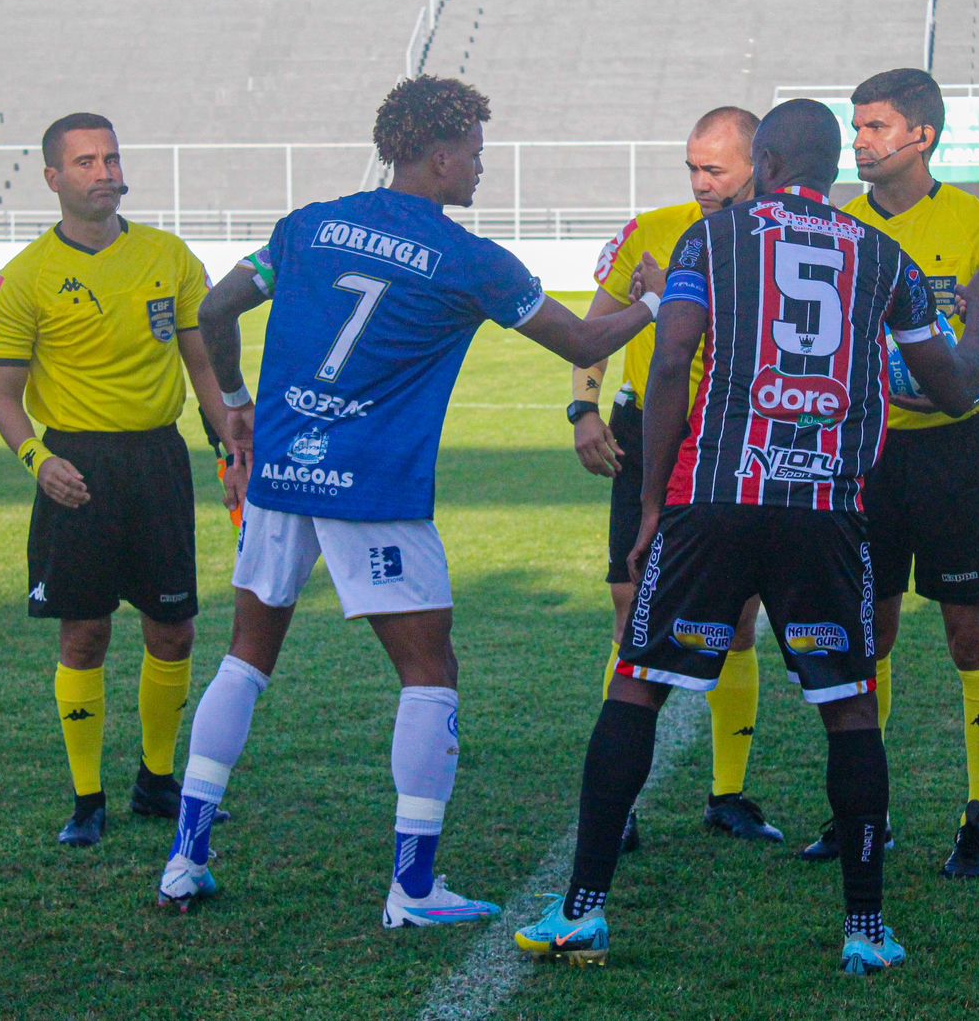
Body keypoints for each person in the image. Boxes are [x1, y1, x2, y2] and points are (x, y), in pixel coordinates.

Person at [515, 99, 979, 974]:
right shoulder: (882, 255)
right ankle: (865, 931)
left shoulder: (715, 241)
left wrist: (656, 505)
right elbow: (959, 388)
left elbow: (671, 362)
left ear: (769, 159)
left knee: (639, 684)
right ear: (834, 168)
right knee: (848, 703)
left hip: (717, 494)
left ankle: (583, 909)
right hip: (826, 507)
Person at [153, 75, 659, 926]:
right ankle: (413, 889)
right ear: (438, 153)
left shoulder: (308, 224)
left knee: (246, 655)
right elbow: (580, 338)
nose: (481, 171)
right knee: (430, 673)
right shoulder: (471, 261)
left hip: (283, 472)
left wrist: (235, 402)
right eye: (475, 155)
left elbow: (210, 308)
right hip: (375, 487)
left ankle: (185, 859)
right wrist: (653, 298)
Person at [797, 69, 979, 876]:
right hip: (864, 453)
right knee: (868, 630)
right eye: (856, 127)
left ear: (921, 137)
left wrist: (960, 391)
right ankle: (868, 811)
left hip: (954, 454)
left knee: (970, 629)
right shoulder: (835, 228)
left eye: (874, 127)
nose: (859, 141)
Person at [0, 113, 236, 847]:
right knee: (85, 632)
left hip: (157, 460)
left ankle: (158, 782)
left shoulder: (168, 256)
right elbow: (3, 392)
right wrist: (38, 459)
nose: (104, 172)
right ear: (53, 178)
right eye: (85, 161)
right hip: (77, 468)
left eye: (112, 157)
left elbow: (202, 364)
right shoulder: (26, 277)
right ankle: (86, 799)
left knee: (175, 630)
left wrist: (229, 449)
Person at [572, 106, 783, 846]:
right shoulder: (649, 230)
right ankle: (618, 802)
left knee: (738, 624)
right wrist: (583, 408)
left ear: (758, 164)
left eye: (714, 170)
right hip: (646, 434)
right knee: (633, 613)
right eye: (692, 167)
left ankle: (729, 792)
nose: (699, 183)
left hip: (731, 435)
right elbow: (595, 327)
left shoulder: (776, 237)